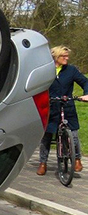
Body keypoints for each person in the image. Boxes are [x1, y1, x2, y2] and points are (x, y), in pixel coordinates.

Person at [37, 45, 88, 175]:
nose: (67, 58)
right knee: (46, 136)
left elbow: (85, 82)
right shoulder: (46, 70)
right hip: (51, 107)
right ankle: (43, 162)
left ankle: (77, 159)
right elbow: (37, 86)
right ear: (55, 57)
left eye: (67, 56)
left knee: (74, 135)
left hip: (67, 106)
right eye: (63, 56)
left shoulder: (71, 70)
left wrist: (86, 94)